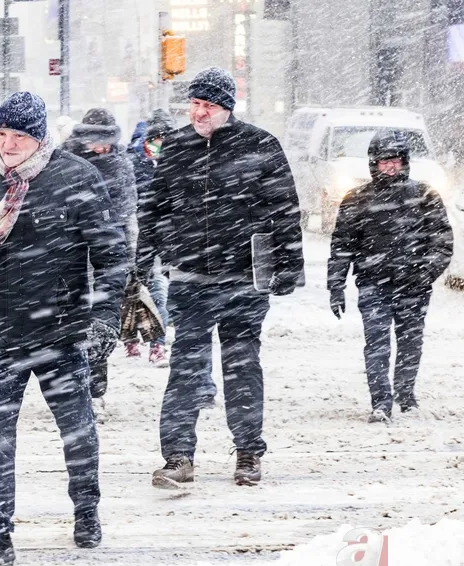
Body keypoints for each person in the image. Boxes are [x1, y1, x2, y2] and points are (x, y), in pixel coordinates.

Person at [0, 92, 127, 566]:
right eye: (2, 133)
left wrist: (104, 316)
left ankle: (86, 509)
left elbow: (111, 255)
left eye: (19, 136)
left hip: (60, 330)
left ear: (40, 138)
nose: (7, 144)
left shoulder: (76, 177)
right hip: (0, 329)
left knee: (76, 430)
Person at [138, 67, 304, 487]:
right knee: (187, 368)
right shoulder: (175, 147)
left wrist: (288, 267)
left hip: (243, 277)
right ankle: (178, 456)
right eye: (194, 104)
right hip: (190, 277)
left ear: (227, 108)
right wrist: (146, 259)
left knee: (242, 364)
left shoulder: (260, 145)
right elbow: (154, 208)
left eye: (208, 105)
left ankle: (248, 452)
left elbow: (285, 209)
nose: (199, 112)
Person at [328, 131, 453, 423]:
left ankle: (405, 393)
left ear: (405, 162)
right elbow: (342, 245)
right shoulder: (357, 199)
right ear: (374, 164)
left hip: (414, 286)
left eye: (396, 161)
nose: (391, 167)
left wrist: (425, 272)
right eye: (385, 162)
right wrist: (335, 285)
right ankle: (381, 402)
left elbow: (442, 241)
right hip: (374, 284)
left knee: (411, 342)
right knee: (377, 344)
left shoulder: (424, 195)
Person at [63, 108, 140, 391]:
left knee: (99, 318)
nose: (103, 146)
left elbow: (125, 214)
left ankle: (95, 382)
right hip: (69, 251)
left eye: (108, 140)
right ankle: (72, 383)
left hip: (103, 252)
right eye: (98, 139)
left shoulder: (120, 164)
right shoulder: (64, 161)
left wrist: (128, 258)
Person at [128, 109, 177, 367]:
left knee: (160, 288)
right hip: (141, 235)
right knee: (144, 286)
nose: (158, 145)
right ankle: (135, 339)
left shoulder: (181, 162)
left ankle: (157, 343)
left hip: (168, 237)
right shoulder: (135, 163)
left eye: (164, 139)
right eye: (155, 139)